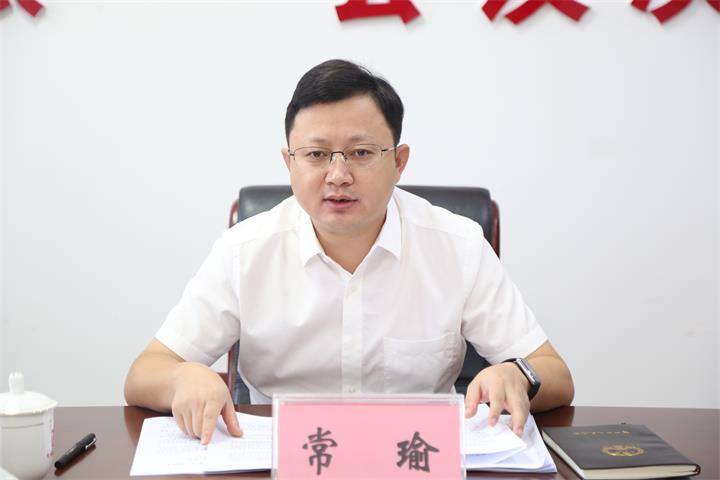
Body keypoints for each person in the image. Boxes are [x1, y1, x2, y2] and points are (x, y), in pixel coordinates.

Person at [124, 59, 574, 445]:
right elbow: (145, 373)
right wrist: (183, 377)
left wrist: (518, 375)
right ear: (289, 163)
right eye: (316, 154)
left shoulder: (458, 246)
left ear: (399, 162)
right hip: (281, 456)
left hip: (414, 457)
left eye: (360, 152)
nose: (338, 175)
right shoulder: (244, 251)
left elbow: (554, 373)